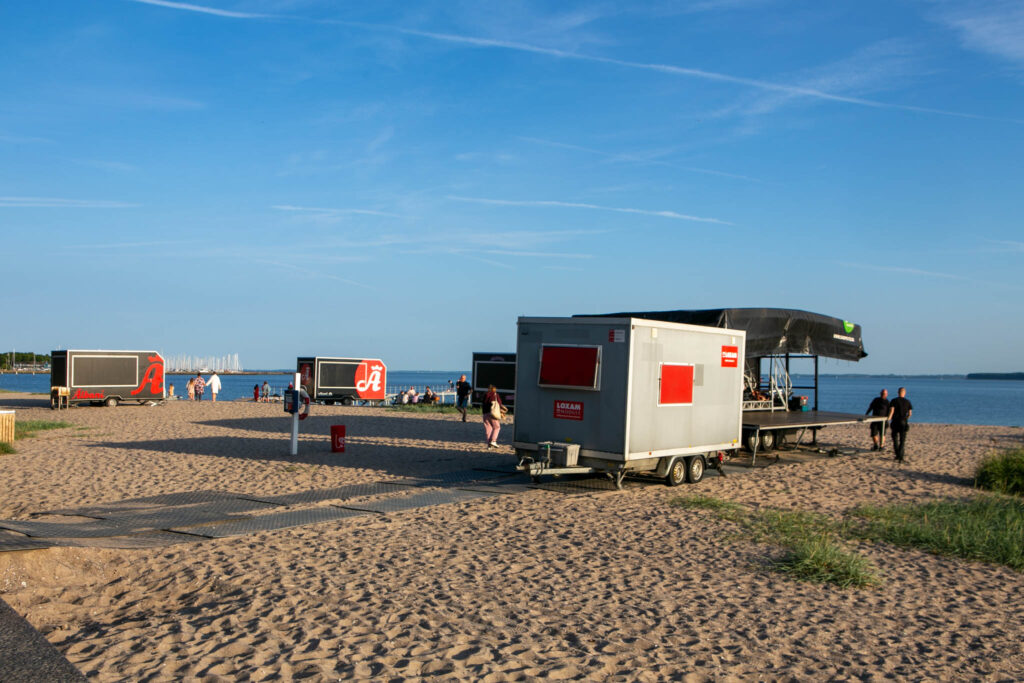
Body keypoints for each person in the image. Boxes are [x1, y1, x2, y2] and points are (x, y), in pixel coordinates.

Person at [888, 387, 913, 463]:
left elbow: (892, 411)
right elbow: (910, 414)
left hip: (895, 421)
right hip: (903, 421)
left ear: (898, 392)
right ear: (904, 393)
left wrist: (888, 419)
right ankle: (901, 456)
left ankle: (897, 454)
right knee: (902, 440)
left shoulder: (894, 400)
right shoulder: (907, 402)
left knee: (895, 438)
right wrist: (906, 418)